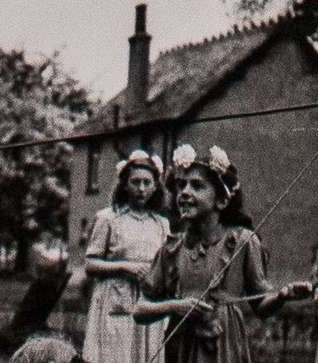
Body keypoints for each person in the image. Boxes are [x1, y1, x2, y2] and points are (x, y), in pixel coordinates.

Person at [133, 144, 313, 363]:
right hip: (181, 348)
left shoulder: (243, 242)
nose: (185, 193)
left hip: (226, 349)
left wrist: (283, 296)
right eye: (181, 186)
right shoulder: (172, 248)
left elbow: (262, 307)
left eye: (197, 186)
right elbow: (140, 310)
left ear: (222, 200)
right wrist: (174, 306)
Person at [82, 150, 170, 363]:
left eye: (147, 183)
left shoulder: (161, 224)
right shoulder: (108, 218)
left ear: (155, 186)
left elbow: (167, 266)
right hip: (115, 299)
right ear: (124, 184)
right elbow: (90, 264)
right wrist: (123, 267)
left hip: (149, 301)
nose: (141, 189)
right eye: (135, 182)